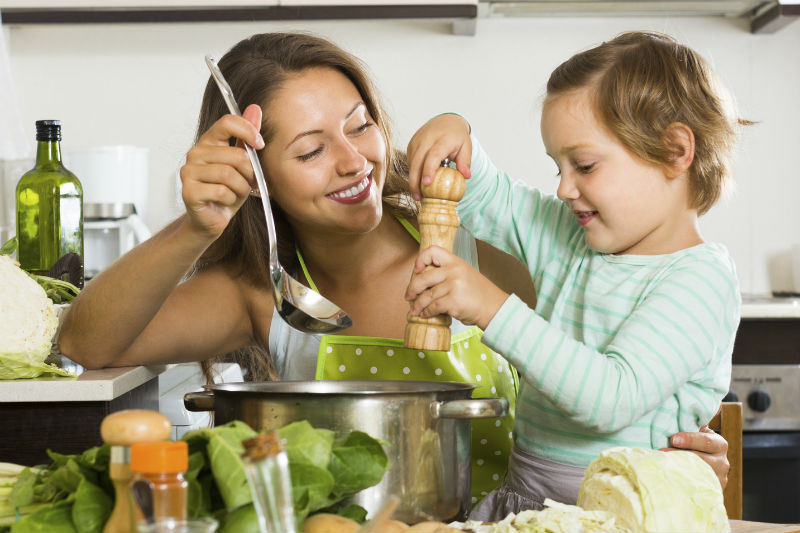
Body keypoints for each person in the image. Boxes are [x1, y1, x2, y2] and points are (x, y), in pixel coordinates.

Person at [58, 30, 731, 503]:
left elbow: (618, 372)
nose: (354, 161)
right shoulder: (259, 293)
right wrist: (198, 225)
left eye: (359, 125)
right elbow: (87, 343)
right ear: (256, 179)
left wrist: (672, 462)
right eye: (310, 150)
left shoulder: (477, 234)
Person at [403, 30, 745, 520]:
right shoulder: (569, 237)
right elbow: (488, 196)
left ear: (675, 151)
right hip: (526, 506)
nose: (564, 188)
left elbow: (611, 399)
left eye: (584, 165)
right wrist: (456, 131)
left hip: (629, 521)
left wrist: (490, 308)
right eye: (557, 167)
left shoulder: (699, 280)